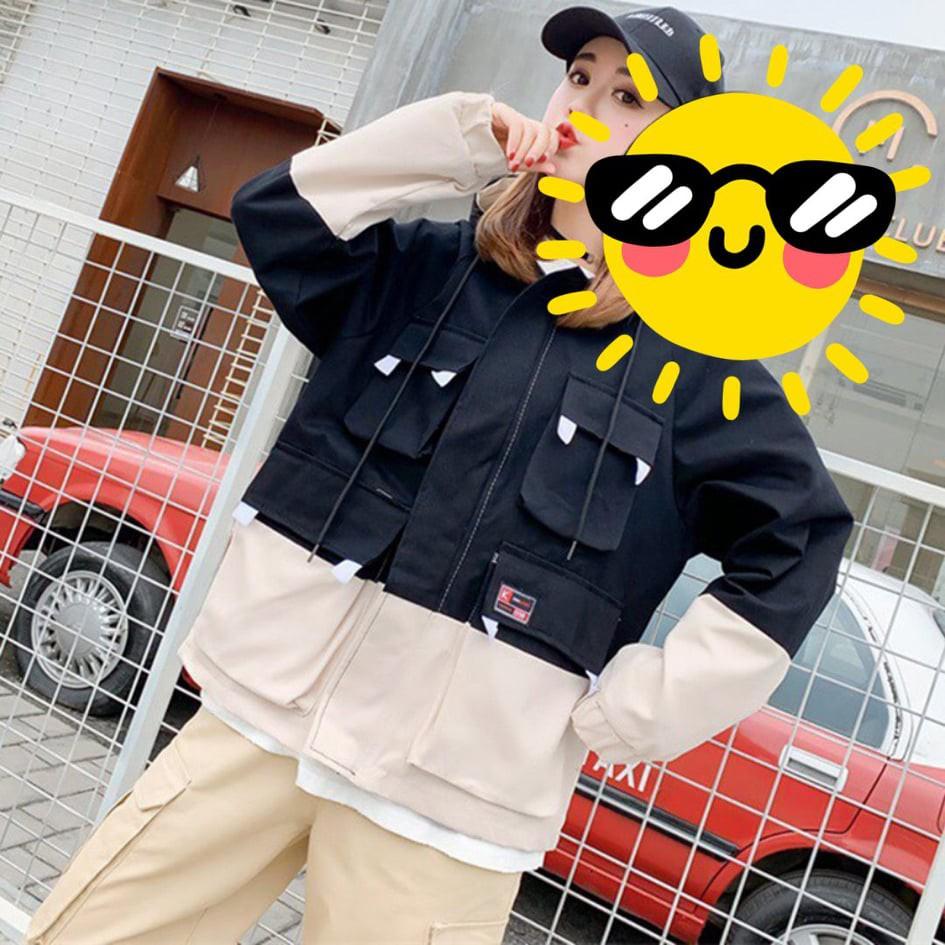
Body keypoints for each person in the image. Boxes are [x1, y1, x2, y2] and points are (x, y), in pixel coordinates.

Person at [25, 5, 854, 944]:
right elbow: (278, 215)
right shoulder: (428, 267)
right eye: (579, 77)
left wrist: (647, 708)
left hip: (452, 798)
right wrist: (451, 140)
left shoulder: (696, 365)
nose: (584, 105)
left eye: (628, 98)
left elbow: (800, 539)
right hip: (264, 721)